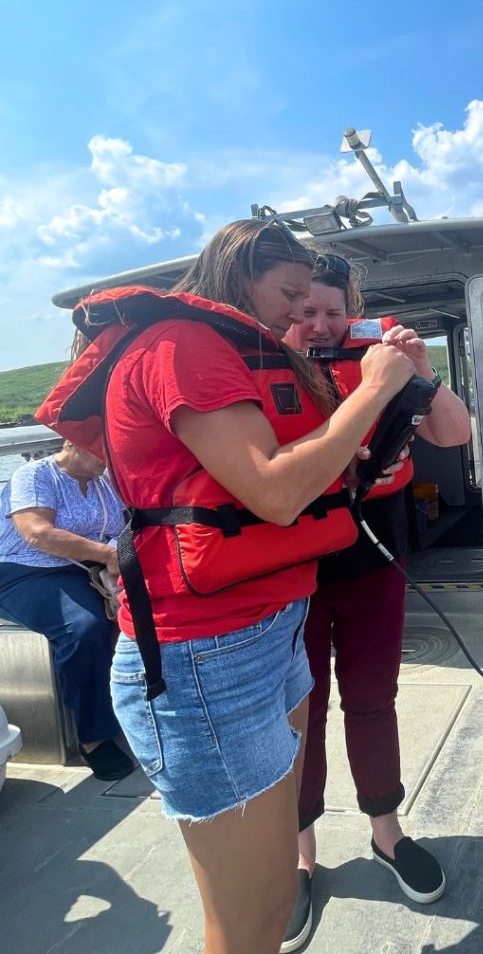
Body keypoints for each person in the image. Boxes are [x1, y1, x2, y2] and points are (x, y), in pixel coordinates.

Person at [35, 219, 416, 954]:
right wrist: (369, 391)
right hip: (208, 661)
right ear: (240, 271)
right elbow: (275, 495)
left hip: (268, 632)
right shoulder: (181, 346)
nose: (300, 314)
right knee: (252, 919)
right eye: (289, 294)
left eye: (312, 300)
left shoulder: (232, 348)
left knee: (269, 901)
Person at [280, 253, 471, 949]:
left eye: (334, 312)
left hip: (374, 557)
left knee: (371, 697)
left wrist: (419, 370)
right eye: (305, 313)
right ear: (287, 311)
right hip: (292, 567)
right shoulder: (266, 367)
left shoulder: (383, 360)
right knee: (299, 714)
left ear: (355, 308)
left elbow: (452, 433)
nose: (321, 326)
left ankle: (386, 834)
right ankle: (300, 859)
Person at [0, 441, 133, 781]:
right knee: (82, 627)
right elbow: (37, 533)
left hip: (86, 566)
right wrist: (107, 555)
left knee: (157, 604)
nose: (108, 459)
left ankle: (141, 705)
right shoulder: (34, 475)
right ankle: (93, 736)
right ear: (74, 442)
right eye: (101, 451)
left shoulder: (106, 482)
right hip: (26, 569)